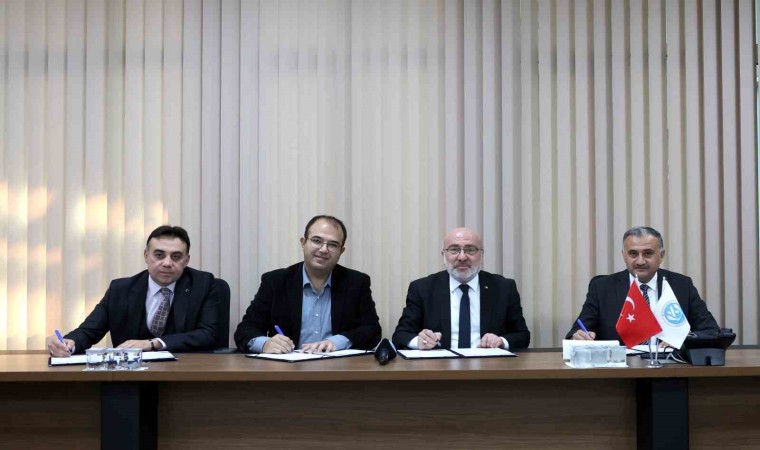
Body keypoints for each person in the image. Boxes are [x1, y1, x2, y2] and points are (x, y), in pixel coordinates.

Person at [46, 225, 220, 356]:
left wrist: (153, 343)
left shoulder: (203, 285)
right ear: (146, 256)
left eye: (176, 257)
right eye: (159, 255)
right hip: (130, 377)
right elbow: (89, 331)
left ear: (186, 260)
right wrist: (69, 343)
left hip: (184, 374)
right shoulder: (120, 290)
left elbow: (208, 334)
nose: (167, 263)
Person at [235, 215, 382, 354]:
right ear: (303, 243)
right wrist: (265, 344)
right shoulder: (276, 281)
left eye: (333, 244)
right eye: (317, 240)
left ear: (341, 251)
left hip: (338, 367)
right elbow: (245, 330)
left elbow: (372, 330)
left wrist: (338, 342)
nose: (323, 249)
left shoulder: (356, 283)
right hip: (287, 367)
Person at [567, 226, 719, 341]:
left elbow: (711, 331)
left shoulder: (681, 285)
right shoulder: (602, 288)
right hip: (620, 369)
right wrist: (578, 337)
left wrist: (683, 339)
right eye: (633, 254)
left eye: (648, 253)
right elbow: (576, 333)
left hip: (669, 367)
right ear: (624, 256)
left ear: (661, 255)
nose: (640, 261)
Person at [392, 227, 530, 350]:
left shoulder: (504, 288)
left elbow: (522, 335)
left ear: (481, 255)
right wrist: (420, 341)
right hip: (439, 367)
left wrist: (501, 341)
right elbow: (400, 335)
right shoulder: (422, 289)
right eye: (454, 249)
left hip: (489, 366)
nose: (462, 257)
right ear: (443, 255)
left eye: (470, 250)